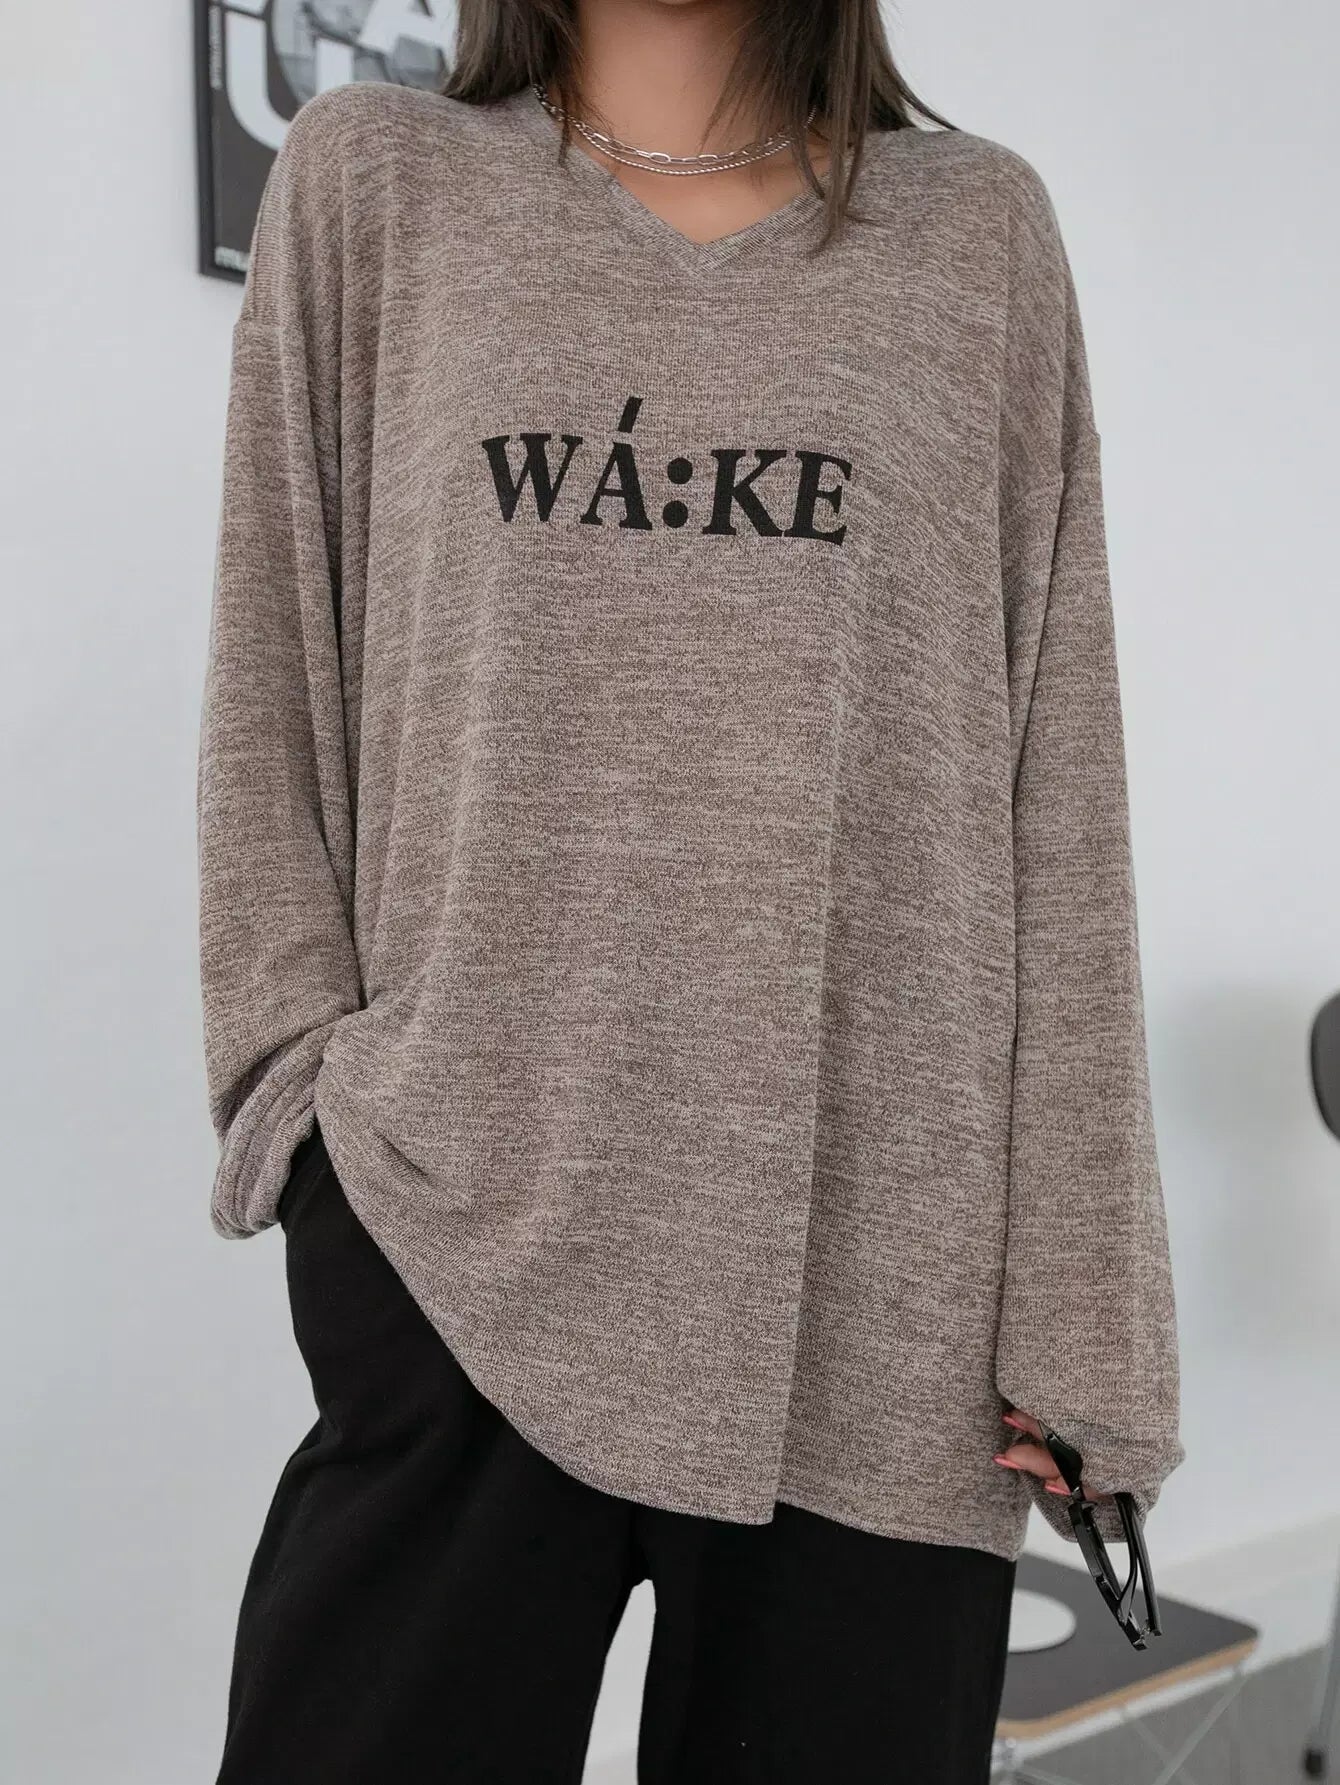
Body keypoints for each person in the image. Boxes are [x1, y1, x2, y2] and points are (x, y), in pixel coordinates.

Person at [195, 1, 1185, 1779]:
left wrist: (1085, 1315)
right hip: (457, 1246)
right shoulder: (379, 184)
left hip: (882, 1300)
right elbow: (275, 684)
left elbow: (1058, 785)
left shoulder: (975, 237)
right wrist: (300, 1116)